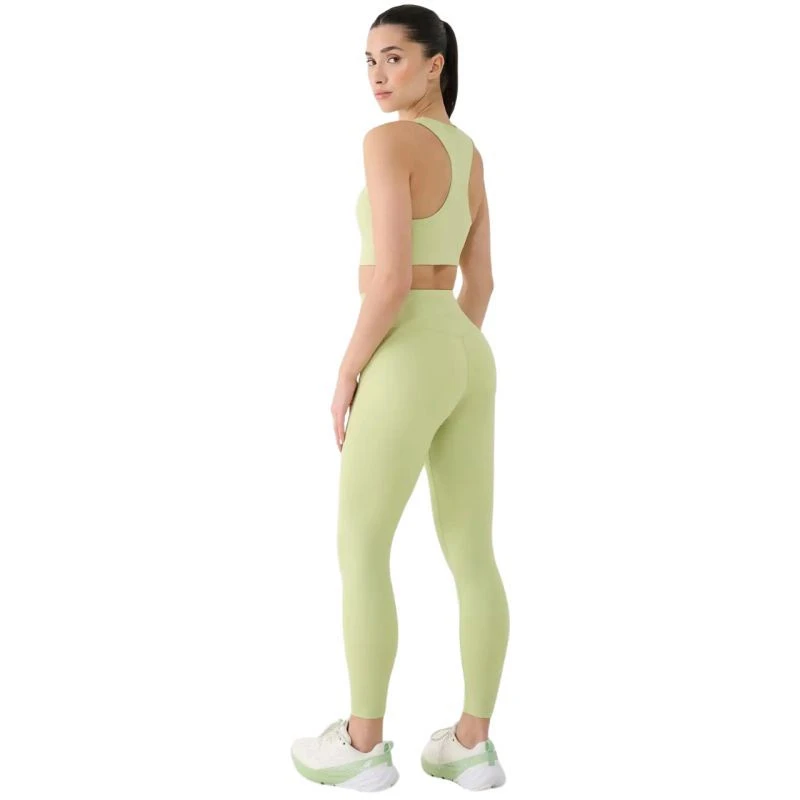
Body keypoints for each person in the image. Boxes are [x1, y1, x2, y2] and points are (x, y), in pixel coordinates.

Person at [291, 5, 510, 792]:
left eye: (393, 57)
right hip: (465, 349)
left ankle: (362, 747)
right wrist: (447, 356)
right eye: (368, 61)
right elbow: (482, 280)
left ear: (434, 64)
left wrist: (351, 371)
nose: (378, 75)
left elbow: (388, 280)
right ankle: (472, 747)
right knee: (472, 551)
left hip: (408, 344)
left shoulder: (387, 143)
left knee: (361, 545)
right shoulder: (469, 151)